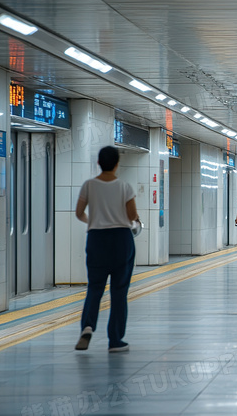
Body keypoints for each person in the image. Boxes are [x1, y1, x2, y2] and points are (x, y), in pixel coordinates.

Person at [74, 146, 139, 352]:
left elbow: (79, 213)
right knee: (119, 291)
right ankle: (115, 339)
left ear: (99, 163)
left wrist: (93, 221)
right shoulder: (124, 187)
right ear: (117, 164)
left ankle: (87, 327)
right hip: (121, 239)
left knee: (95, 287)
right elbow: (131, 216)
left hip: (96, 239)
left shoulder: (89, 185)